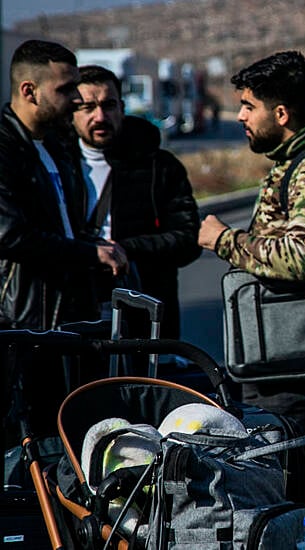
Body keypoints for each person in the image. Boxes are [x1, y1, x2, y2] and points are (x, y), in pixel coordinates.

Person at [197, 51, 305, 549]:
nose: (240, 116)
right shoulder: (289, 165)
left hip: (296, 363)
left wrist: (224, 240)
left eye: (248, 106)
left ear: (280, 113)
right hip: (276, 359)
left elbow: (299, 258)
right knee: (286, 490)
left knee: (297, 494)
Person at [0, 40, 128, 438]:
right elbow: (10, 234)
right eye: (65, 88)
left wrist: (94, 247)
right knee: (29, 449)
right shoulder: (5, 149)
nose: (76, 99)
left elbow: (64, 226)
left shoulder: (57, 145)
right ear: (28, 90)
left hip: (69, 321)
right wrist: (89, 253)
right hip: (23, 326)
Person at [71, 65, 201, 338]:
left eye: (108, 105)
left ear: (122, 106)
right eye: (87, 107)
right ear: (71, 110)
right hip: (72, 311)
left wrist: (125, 250)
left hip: (145, 318)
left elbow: (188, 240)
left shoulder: (160, 167)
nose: (100, 116)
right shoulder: (54, 166)